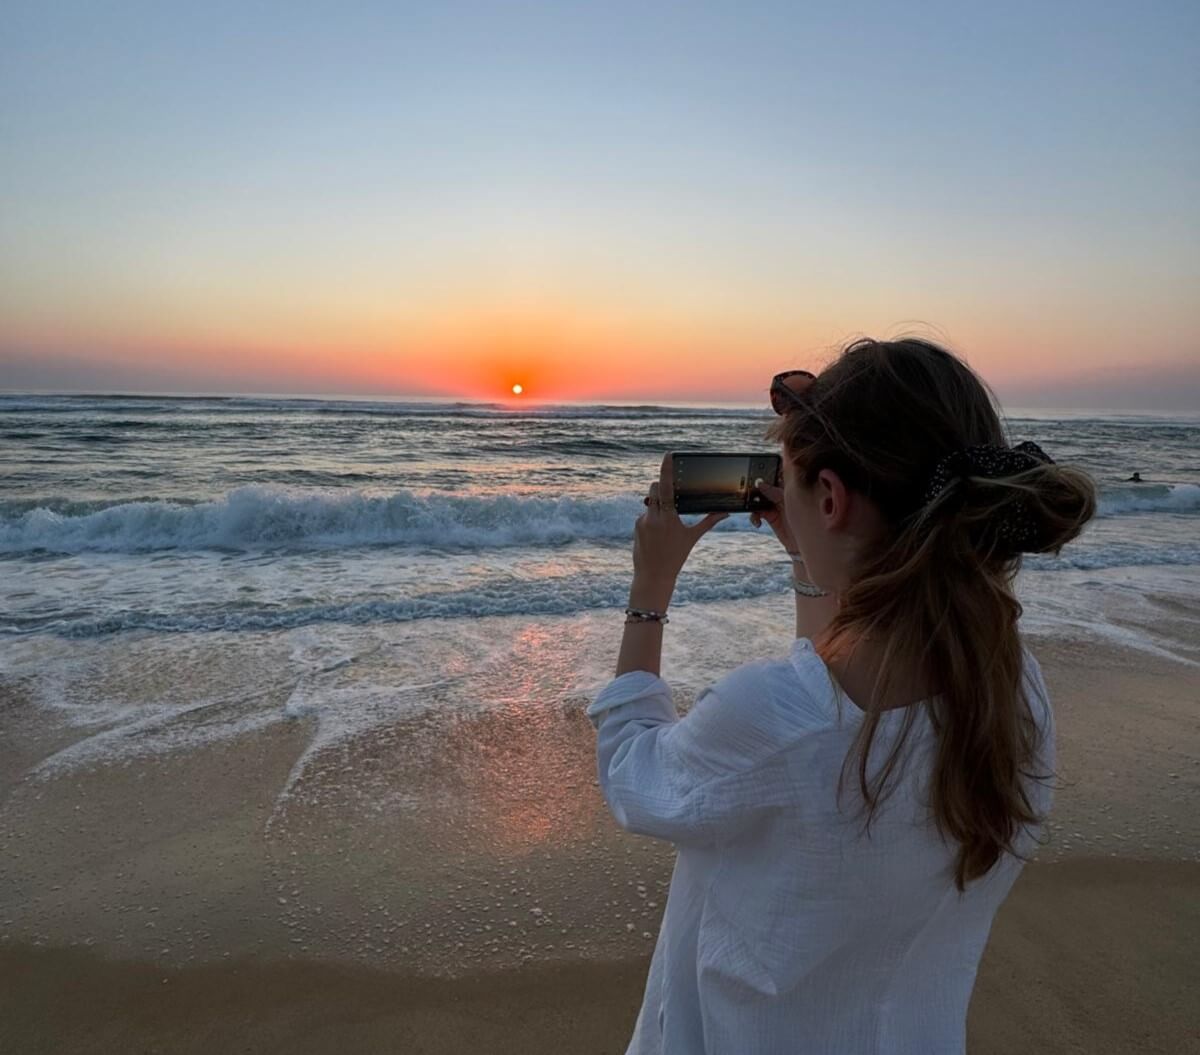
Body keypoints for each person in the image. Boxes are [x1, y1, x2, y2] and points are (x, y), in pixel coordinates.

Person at [588, 336, 1096, 1054]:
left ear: (831, 498)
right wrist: (808, 557)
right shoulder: (1011, 692)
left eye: (793, 481)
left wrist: (650, 590)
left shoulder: (774, 719)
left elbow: (632, 775)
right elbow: (836, 684)